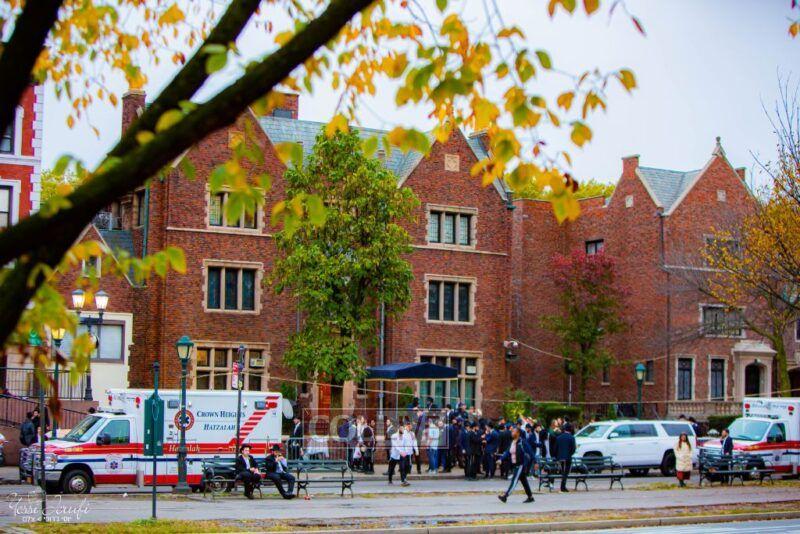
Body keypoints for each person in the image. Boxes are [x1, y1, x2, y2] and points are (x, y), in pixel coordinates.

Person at [497, 426, 534, 503]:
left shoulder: (522, 442)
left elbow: (530, 452)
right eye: (512, 431)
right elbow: (507, 452)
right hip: (515, 464)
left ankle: (505, 496)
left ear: (518, 433)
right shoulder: (512, 442)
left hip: (520, 464)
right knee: (524, 481)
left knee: (514, 480)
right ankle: (530, 497)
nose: (512, 433)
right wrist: (501, 459)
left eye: (513, 431)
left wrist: (535, 462)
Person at [555, 423, 576, 492]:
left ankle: (562, 486)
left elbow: (556, 448)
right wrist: (569, 454)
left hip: (560, 457)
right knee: (566, 472)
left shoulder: (559, 437)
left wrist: (557, 456)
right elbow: (573, 449)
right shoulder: (571, 437)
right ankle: (563, 486)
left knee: (562, 472)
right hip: (567, 457)